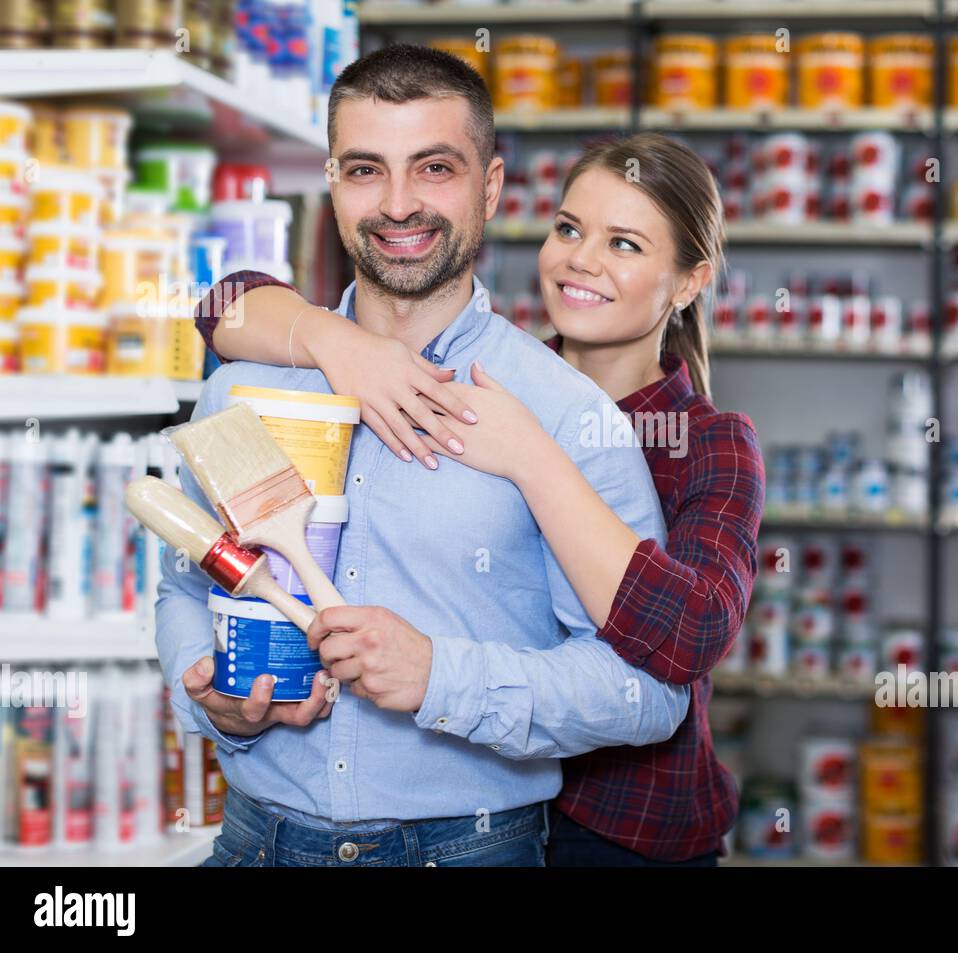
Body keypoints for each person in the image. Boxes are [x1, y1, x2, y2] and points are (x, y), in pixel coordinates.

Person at [157, 44, 689, 868]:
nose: (398, 205)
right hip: (254, 842)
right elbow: (186, 582)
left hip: (471, 850)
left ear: (492, 187)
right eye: (366, 170)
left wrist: (443, 676)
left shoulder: (562, 415)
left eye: (434, 167)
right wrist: (214, 697)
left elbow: (647, 695)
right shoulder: (246, 386)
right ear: (333, 182)